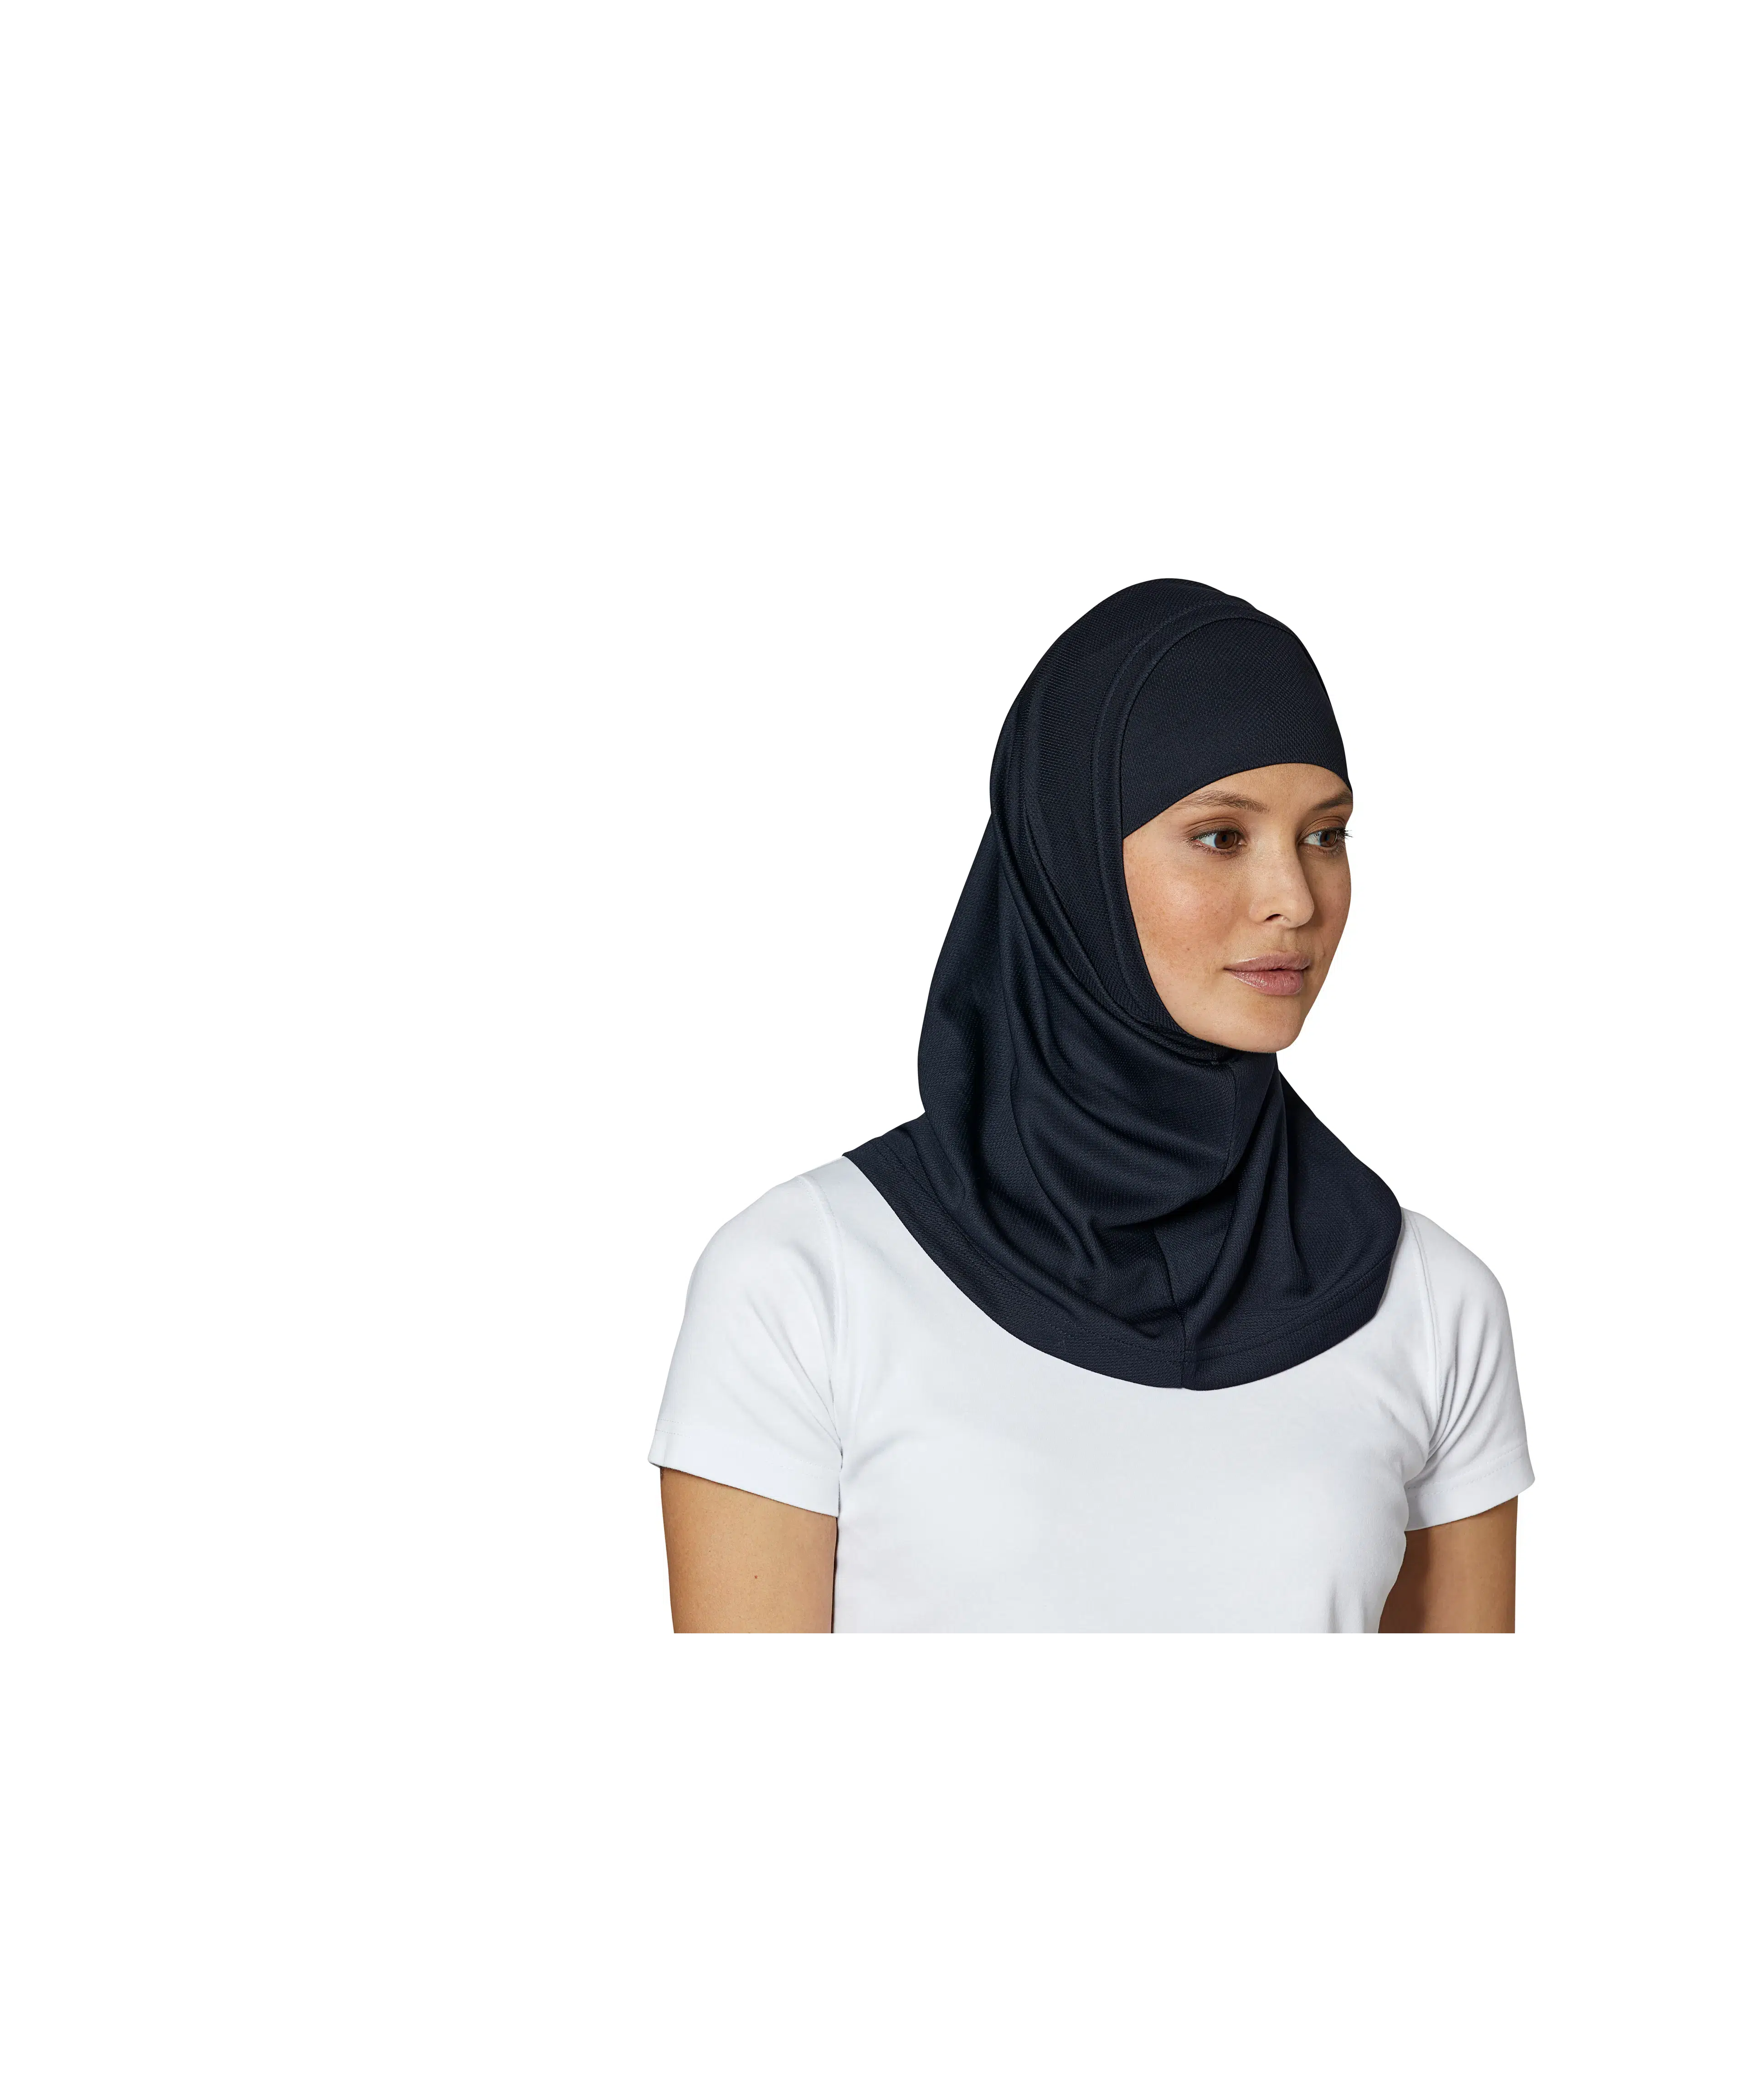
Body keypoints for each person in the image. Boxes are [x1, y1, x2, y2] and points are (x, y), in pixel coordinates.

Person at [651, 581, 1532, 1632]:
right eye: (1222, 836)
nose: (1295, 899)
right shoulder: (808, 1282)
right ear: (1070, 854)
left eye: (1325, 835)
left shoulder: (1427, 1301)